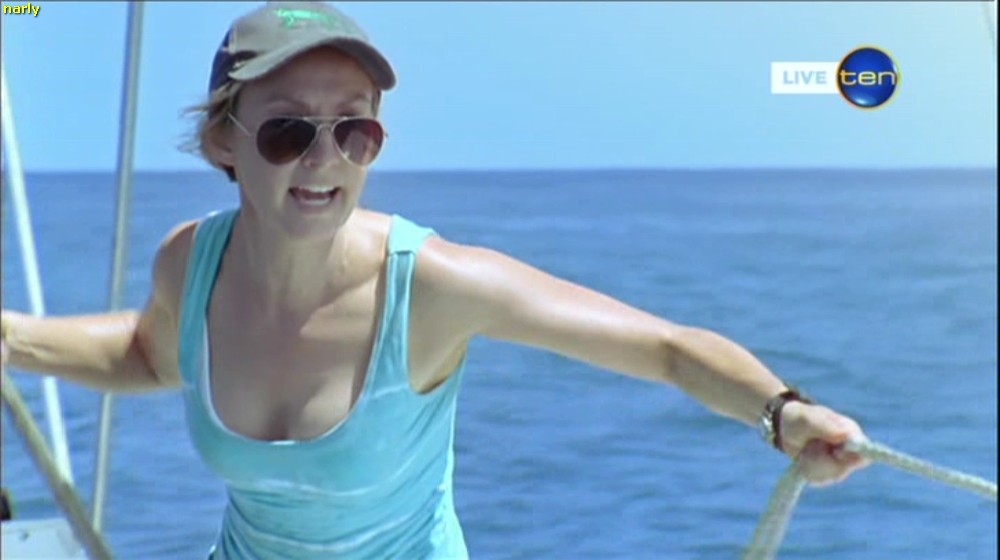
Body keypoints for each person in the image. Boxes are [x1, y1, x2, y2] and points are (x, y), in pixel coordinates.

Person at [0, 2, 870, 558]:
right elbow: (148, 356)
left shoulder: (432, 289)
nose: (325, 159)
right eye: (288, 131)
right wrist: (12, 337)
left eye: (355, 131)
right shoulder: (191, 262)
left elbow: (665, 349)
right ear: (223, 140)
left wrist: (782, 414)